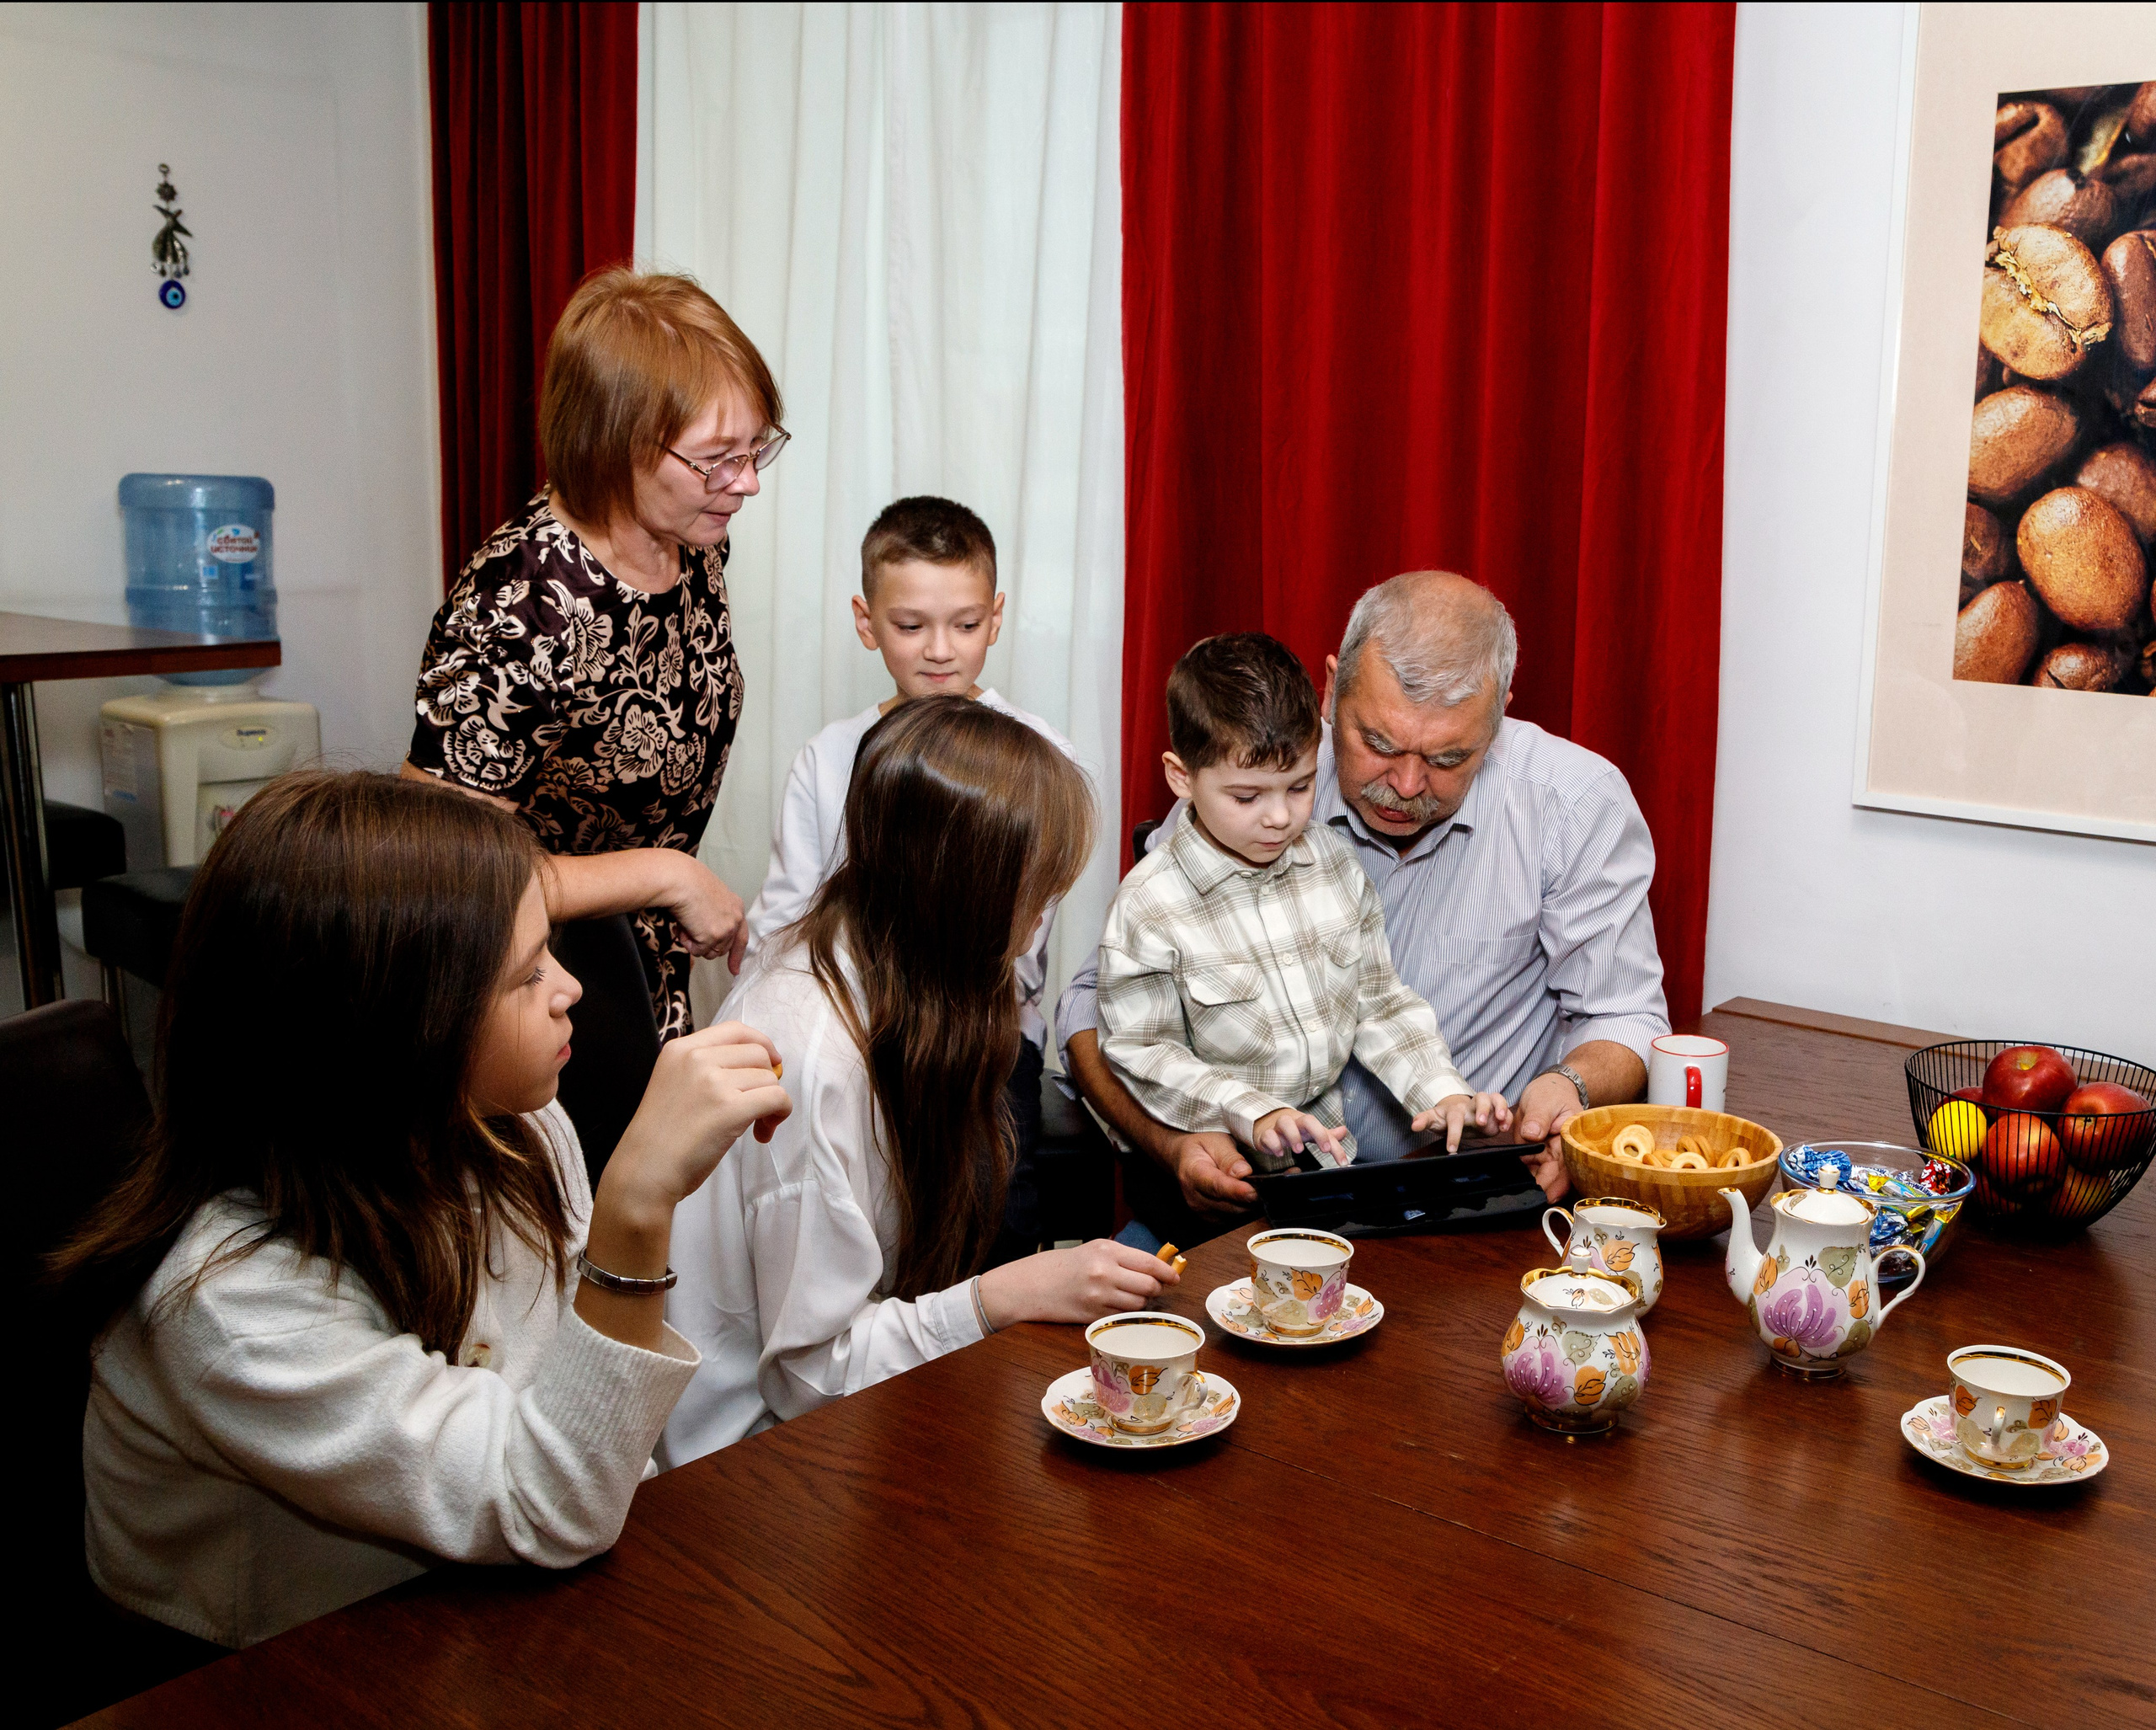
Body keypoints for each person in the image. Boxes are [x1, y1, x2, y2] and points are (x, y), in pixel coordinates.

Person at [57, 772, 791, 1649]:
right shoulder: (227, 1300)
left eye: (549, 951)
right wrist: (634, 1210)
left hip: (478, 1592)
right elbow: (549, 1503)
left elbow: (585, 1440)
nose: (572, 989)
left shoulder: (515, 1126)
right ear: (393, 1024)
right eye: (526, 975)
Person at [1061, 572, 1668, 1239]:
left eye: (1448, 757)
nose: (1406, 786)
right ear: (1330, 689)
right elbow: (1096, 1009)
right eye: (1377, 744)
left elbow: (1624, 1010)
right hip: (1255, 1213)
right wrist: (1170, 1142)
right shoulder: (1255, 781)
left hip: (1465, 1207)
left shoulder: (1574, 804)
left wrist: (1568, 1089)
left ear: (1500, 716)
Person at [659, 698, 1177, 1466]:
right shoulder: (810, 1056)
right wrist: (1007, 1294)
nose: (1037, 928)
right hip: (747, 1467)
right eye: (1030, 896)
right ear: (957, 893)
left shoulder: (891, 971)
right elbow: (809, 1371)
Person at [404, 268, 789, 1040]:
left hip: (634, 961)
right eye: (717, 457)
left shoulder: (690, 539)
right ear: (614, 443)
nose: (745, 483)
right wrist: (668, 876)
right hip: (526, 986)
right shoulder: (520, 608)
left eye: (756, 449)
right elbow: (441, 867)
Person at [741, 494, 1075, 1256]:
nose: (940, 650)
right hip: (858, 1039)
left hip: (987, 1044)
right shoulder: (828, 759)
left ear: (996, 618)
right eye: (910, 625)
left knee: (1001, 1223)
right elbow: (783, 926)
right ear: (866, 622)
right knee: (863, 1232)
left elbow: (1014, 947)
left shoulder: (1037, 758)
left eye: (964, 624)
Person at [1097, 633, 1510, 1172]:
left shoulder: (1335, 865)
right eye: (1247, 796)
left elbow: (1380, 1004)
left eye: (1300, 786)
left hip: (1325, 1163)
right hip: (1218, 1168)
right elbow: (1144, 1051)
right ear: (1182, 777)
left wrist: (1442, 1094)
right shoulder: (1150, 904)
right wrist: (1254, 1113)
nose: (1279, 817)